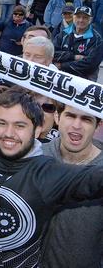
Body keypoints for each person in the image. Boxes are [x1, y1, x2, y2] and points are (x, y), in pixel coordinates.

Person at [0, 87, 103, 267]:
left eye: (20, 126)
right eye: (2, 123)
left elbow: (94, 179)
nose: (9, 133)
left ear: (37, 130)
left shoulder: (47, 173)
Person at [40, 103, 103, 268]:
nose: (77, 125)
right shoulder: (36, 156)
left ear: (98, 126)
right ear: (57, 118)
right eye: (70, 115)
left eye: (86, 119)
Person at [53, 6, 103, 81]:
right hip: (61, 75)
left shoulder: (97, 39)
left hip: (84, 79)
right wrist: (74, 57)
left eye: (85, 18)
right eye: (78, 17)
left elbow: (90, 64)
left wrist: (62, 65)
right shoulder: (63, 33)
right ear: (73, 17)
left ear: (90, 20)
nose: (81, 20)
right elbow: (52, 53)